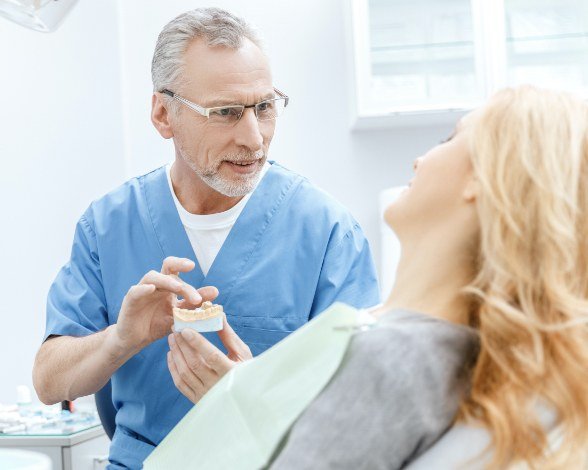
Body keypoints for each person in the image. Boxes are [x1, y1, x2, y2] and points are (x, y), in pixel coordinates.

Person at [32, 8, 380, 469]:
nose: (254, 138)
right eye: (227, 113)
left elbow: (368, 413)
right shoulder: (109, 225)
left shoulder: (326, 231)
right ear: (163, 114)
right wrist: (121, 339)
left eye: (264, 108)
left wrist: (251, 397)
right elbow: (49, 381)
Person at [270, 85, 588, 469]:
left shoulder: (397, 360)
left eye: (451, 137)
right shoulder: (460, 358)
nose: (420, 159)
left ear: (483, 177)